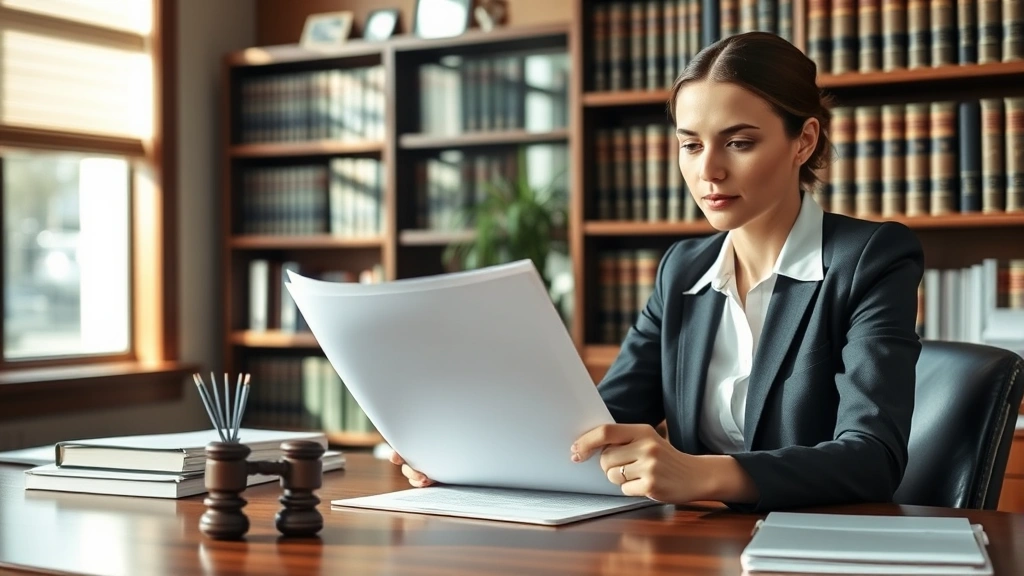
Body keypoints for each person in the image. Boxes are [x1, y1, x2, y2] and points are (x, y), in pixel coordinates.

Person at [391, 31, 924, 512]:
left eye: (739, 143)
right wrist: (460, 456)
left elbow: (871, 457)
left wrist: (703, 475)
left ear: (803, 141)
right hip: (690, 545)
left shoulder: (870, 258)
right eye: (690, 144)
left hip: (811, 550)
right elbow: (599, 423)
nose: (708, 170)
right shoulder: (682, 270)